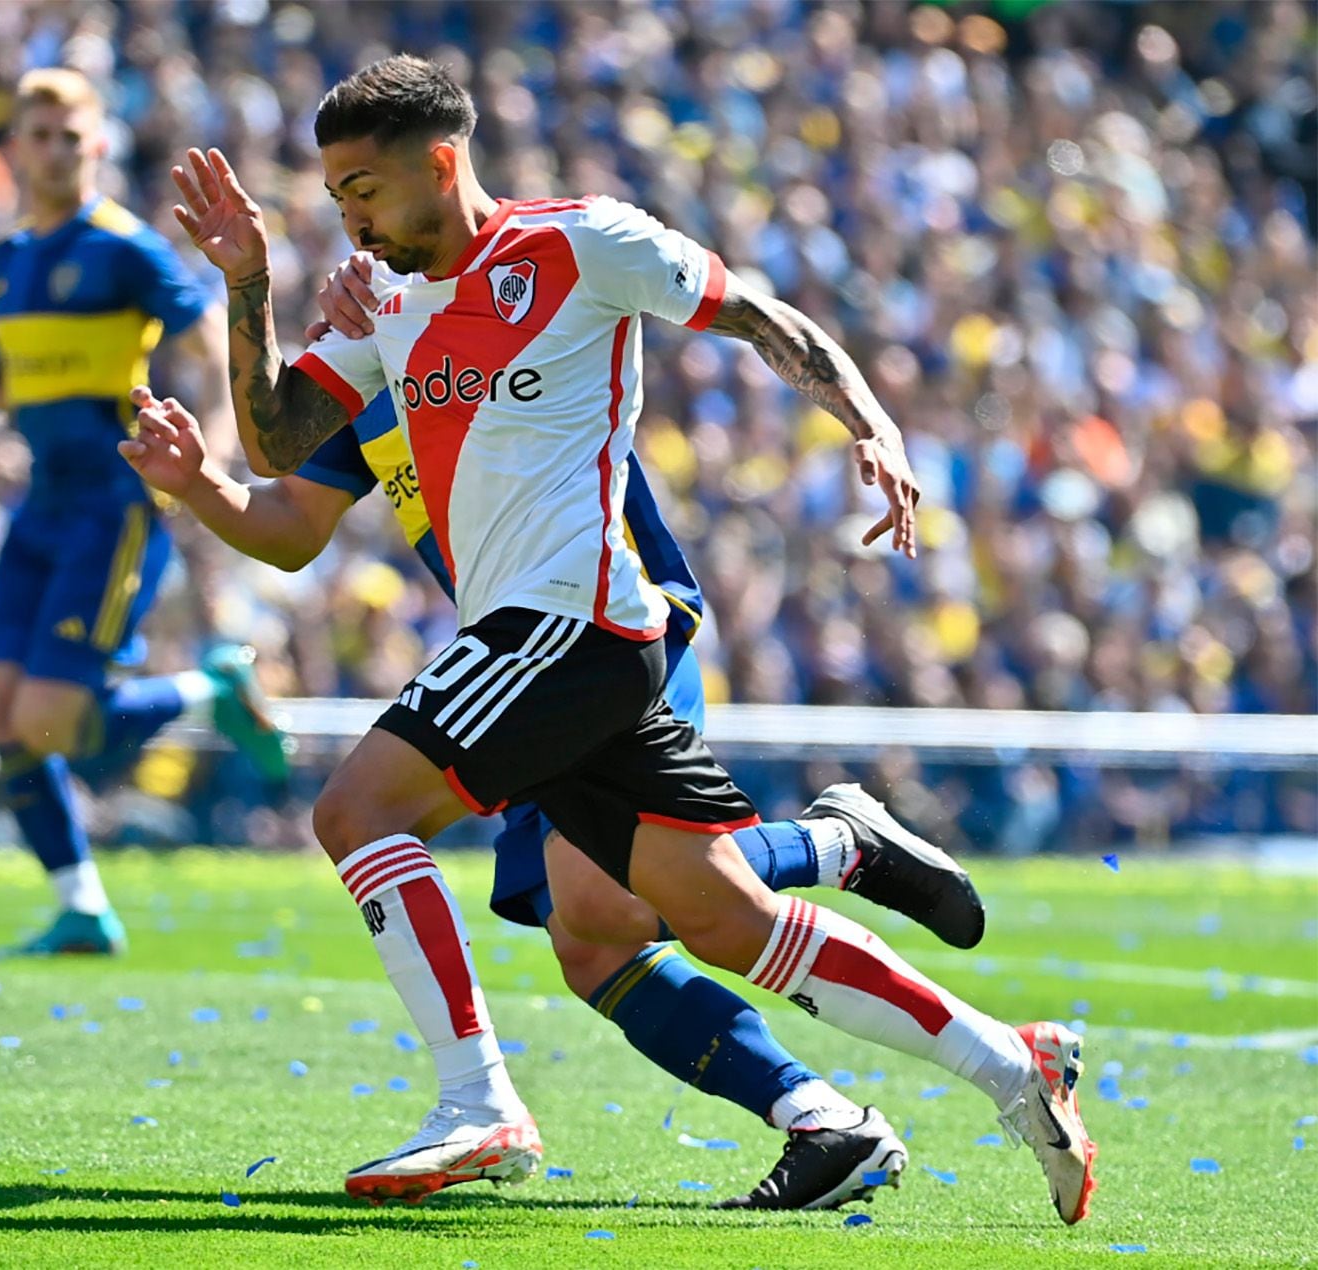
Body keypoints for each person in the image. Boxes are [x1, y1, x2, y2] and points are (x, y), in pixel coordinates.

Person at [162, 55, 1095, 1223]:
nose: (346, 218)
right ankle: (1015, 1066)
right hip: (555, 645)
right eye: (334, 194)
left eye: (362, 189)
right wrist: (245, 283)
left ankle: (480, 1102)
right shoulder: (386, 307)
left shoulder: (580, 244)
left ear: (442, 164)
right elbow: (273, 448)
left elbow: (759, 316)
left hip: (575, 621)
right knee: (714, 920)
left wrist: (871, 423)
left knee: (358, 812)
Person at [122, 375, 1000, 1209]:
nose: (358, 249)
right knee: (593, 946)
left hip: (616, 629)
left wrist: (864, 418)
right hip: (517, 657)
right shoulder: (373, 368)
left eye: (369, 215)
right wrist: (207, 459)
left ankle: (833, 863)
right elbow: (287, 507)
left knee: (592, 897)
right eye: (346, 217)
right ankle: (821, 1115)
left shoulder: (494, 307)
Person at [0, 69, 288, 956]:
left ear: (96, 146)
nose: (58, 150)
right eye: (41, 134)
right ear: (14, 147)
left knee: (50, 724)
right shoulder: (12, 259)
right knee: (4, 721)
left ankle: (209, 690)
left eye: (74, 136)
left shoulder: (123, 248)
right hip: (42, 505)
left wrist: (205, 451)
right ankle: (83, 907)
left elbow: (207, 333)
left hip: (112, 504)